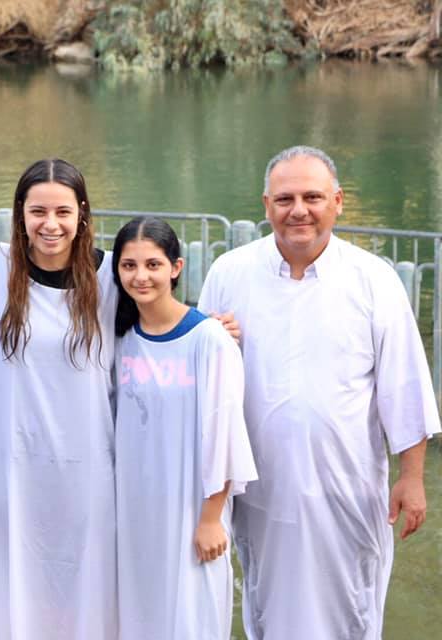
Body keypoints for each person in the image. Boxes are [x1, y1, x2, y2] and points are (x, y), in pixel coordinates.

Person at [198, 145, 441, 639]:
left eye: (313, 196)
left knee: (351, 604)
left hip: (346, 485)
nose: (299, 210)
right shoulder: (230, 272)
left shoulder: (374, 280)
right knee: (267, 602)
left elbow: (406, 385)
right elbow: (202, 376)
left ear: (338, 201)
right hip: (260, 488)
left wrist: (412, 477)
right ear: (266, 205)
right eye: (285, 199)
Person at [0, 158, 119, 639]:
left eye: (62, 211)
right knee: (21, 586)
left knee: (91, 586)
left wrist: (212, 327)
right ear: (20, 214)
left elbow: (162, 324)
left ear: (82, 213)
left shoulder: (112, 279)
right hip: (15, 466)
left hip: (89, 466)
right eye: (38, 211)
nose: (50, 224)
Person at [111, 217, 257, 639]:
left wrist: (211, 517)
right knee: (139, 614)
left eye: (153, 265)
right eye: (129, 265)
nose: (141, 276)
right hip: (135, 507)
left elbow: (226, 432)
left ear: (176, 267)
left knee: (191, 617)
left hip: (192, 507)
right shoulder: (120, 338)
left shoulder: (209, 340)